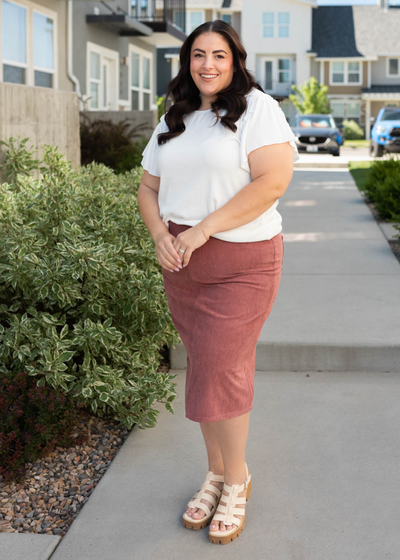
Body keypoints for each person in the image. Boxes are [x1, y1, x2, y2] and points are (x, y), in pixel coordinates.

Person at [137, 20, 300, 545]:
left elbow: (273, 181)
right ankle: (215, 472)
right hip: (182, 264)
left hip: (242, 262)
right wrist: (161, 232)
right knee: (206, 368)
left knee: (221, 369)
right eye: (199, 54)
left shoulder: (257, 108)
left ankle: (237, 480)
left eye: (219, 56)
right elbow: (146, 186)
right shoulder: (176, 117)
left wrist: (203, 228)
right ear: (187, 61)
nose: (208, 64)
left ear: (236, 61)